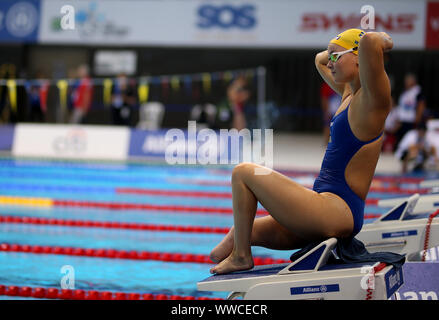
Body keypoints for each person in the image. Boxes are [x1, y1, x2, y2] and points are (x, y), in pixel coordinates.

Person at [209, 29, 393, 275]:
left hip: (338, 210)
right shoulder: (349, 95)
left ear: (359, 57)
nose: (329, 62)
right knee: (234, 237)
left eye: (336, 57)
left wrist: (383, 39)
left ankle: (242, 257)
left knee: (243, 172)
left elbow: (370, 41)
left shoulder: (372, 102)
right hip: (322, 206)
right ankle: (238, 250)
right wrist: (338, 49)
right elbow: (319, 60)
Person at [394, 73, 426, 148]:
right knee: (401, 140)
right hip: (402, 121)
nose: (406, 83)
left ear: (413, 81)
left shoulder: (417, 92)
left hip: (411, 121)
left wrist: (417, 119)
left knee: (409, 139)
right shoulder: (405, 92)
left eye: (407, 81)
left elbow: (421, 105)